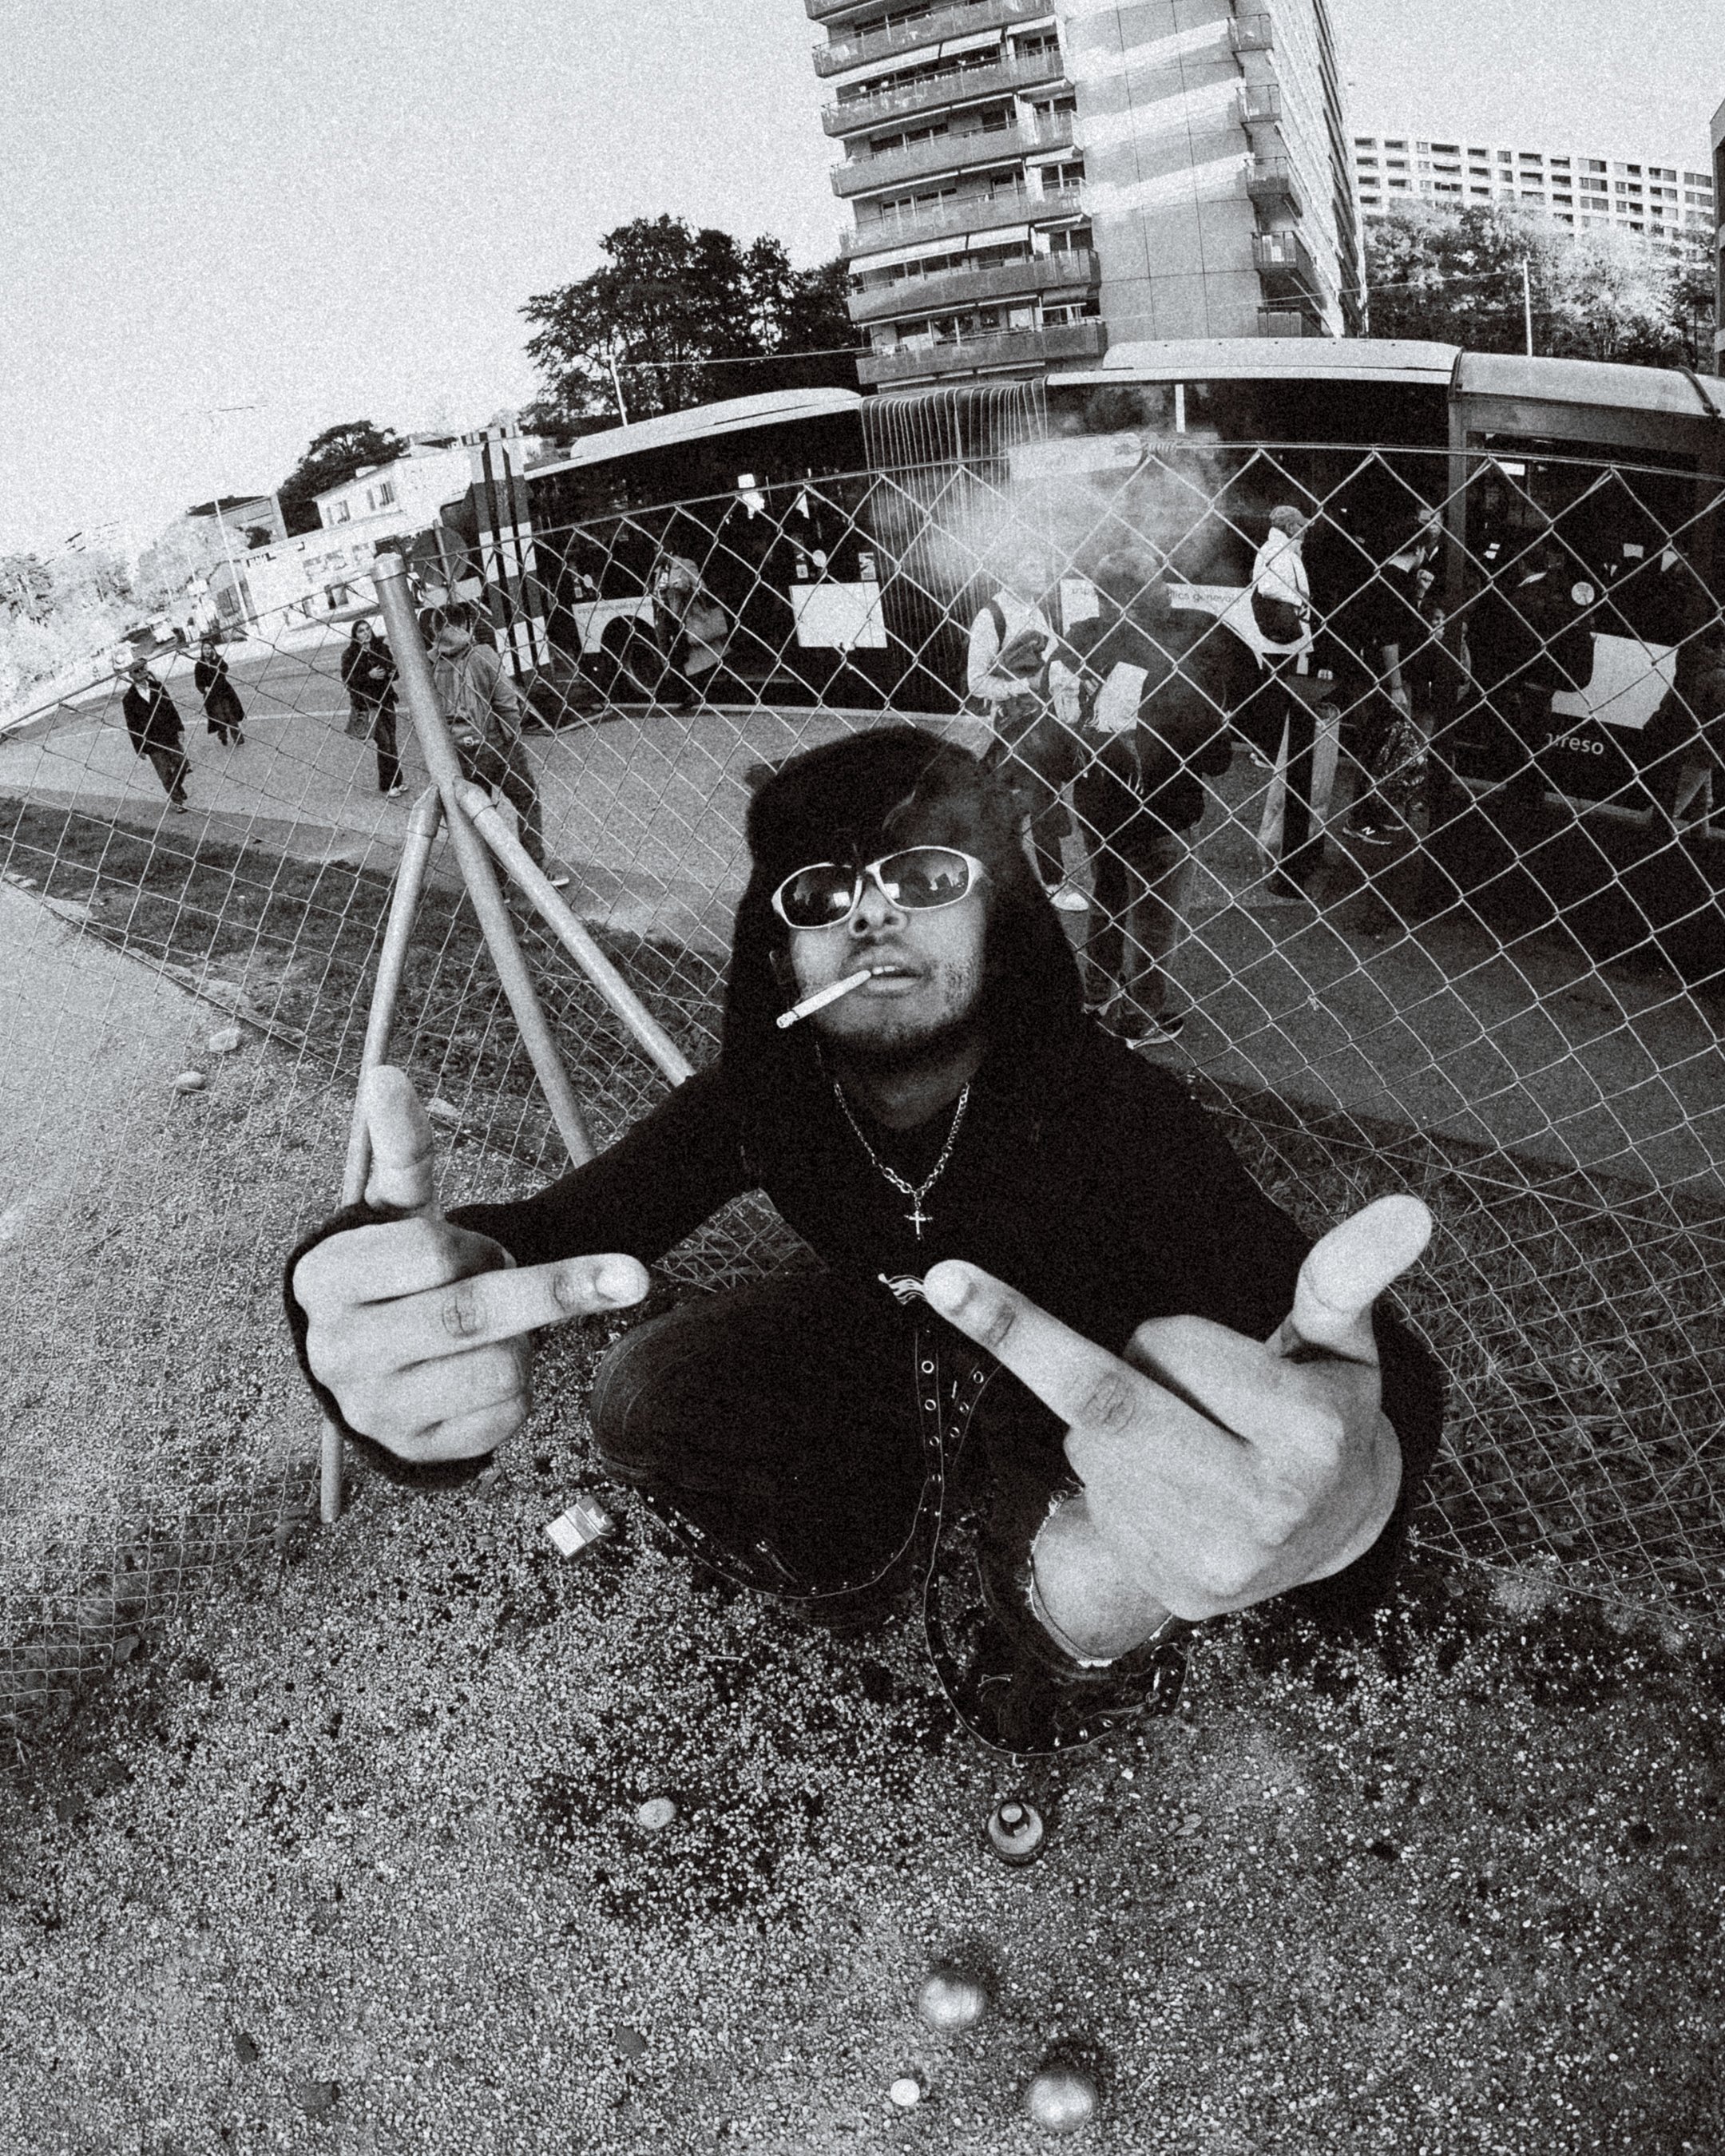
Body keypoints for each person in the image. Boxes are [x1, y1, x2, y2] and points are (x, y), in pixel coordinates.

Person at [287, 727, 1445, 1757]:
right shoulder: (771, 1103)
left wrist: (1353, 1496)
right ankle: (858, 1580)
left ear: (1003, 921)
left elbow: (1361, 1376)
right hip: (888, 1360)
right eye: (821, 894)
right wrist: (381, 1299)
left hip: (1076, 1422)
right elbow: (544, 1238)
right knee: (644, 1390)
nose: (871, 916)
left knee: (1085, 1588)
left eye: (927, 878)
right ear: (778, 955)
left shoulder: (1115, 1117)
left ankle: (1045, 1653)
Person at [1060, 550, 1233, 1046]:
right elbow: (1215, 756)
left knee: (1109, 898)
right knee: (1155, 920)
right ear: (1154, 593)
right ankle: (1140, 1019)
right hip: (1162, 810)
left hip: (1098, 803)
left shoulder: (1080, 642)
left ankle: (1096, 994)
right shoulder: (1178, 656)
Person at [966, 547, 1087, 910]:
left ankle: (1006, 880)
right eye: (1030, 563)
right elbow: (976, 682)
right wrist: (1025, 686)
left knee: (1031, 802)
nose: (1041, 571)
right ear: (1008, 570)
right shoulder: (992, 616)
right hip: (1014, 728)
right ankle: (1052, 883)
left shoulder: (1037, 609)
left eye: (1042, 565)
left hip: (1043, 723)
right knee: (1037, 802)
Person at [422, 602, 567, 889]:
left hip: (459, 751)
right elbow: (506, 702)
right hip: (495, 744)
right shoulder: (482, 654)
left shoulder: (429, 663)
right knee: (526, 799)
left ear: (435, 630)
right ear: (465, 624)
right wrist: (512, 737)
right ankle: (534, 869)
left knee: (481, 813)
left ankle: (497, 884)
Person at [1337, 522, 1445, 847]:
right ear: (1419, 550)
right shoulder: (1396, 582)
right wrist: (1396, 686)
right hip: (1386, 678)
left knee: (1383, 746)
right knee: (1379, 748)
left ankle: (1375, 812)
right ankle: (1361, 819)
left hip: (1372, 674)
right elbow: (1390, 638)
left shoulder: (1386, 578)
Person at [1243, 505, 1327, 898]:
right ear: (1290, 526)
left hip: (1285, 634)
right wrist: (1299, 598)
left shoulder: (1280, 549)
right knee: (1280, 693)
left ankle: (1272, 745)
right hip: (1284, 635)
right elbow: (1268, 587)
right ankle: (1271, 746)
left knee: (1279, 692)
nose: (1305, 532)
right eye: (1301, 526)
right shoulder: (1277, 551)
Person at [652, 531, 729, 714]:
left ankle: (695, 693)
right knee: (674, 656)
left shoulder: (686, 564)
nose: (655, 553)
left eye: (657, 549)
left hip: (684, 617)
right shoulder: (658, 571)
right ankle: (691, 691)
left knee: (689, 655)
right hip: (666, 619)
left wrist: (683, 585)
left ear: (667, 550)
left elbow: (701, 587)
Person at [341, 620, 404, 796]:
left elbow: (395, 672)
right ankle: (388, 784)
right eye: (361, 631)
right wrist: (369, 675)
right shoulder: (350, 655)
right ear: (355, 635)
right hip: (369, 705)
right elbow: (348, 680)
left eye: (368, 629)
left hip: (386, 700)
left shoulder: (381, 648)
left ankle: (397, 781)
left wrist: (392, 673)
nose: (366, 633)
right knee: (384, 742)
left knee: (392, 740)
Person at [121, 660, 190, 811]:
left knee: (182, 764)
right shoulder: (129, 699)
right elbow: (132, 726)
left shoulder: (157, 687)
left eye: (143, 668)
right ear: (131, 675)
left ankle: (177, 787)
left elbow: (170, 707)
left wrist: (179, 728)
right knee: (164, 773)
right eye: (137, 671)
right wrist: (139, 748)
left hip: (169, 734)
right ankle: (177, 801)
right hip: (151, 741)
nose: (142, 672)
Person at [192, 636, 246, 747]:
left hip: (224, 692)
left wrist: (216, 661)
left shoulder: (218, 660)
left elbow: (225, 668)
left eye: (209, 648)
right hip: (212, 696)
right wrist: (204, 688)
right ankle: (222, 735)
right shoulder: (199, 666)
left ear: (213, 649)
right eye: (205, 649)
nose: (207, 651)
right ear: (202, 651)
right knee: (220, 717)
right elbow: (198, 682)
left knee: (230, 714)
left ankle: (238, 738)